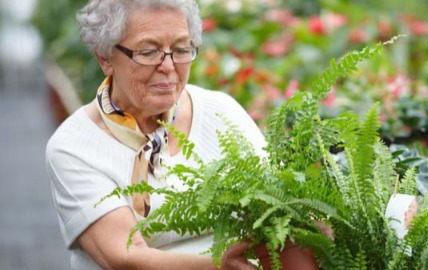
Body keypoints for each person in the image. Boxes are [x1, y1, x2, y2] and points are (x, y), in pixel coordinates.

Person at [45, 0, 265, 269]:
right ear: (104, 57)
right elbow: (128, 256)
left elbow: (281, 203)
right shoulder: (74, 146)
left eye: (182, 49)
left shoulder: (220, 112)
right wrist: (221, 265)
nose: (169, 66)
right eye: (149, 52)